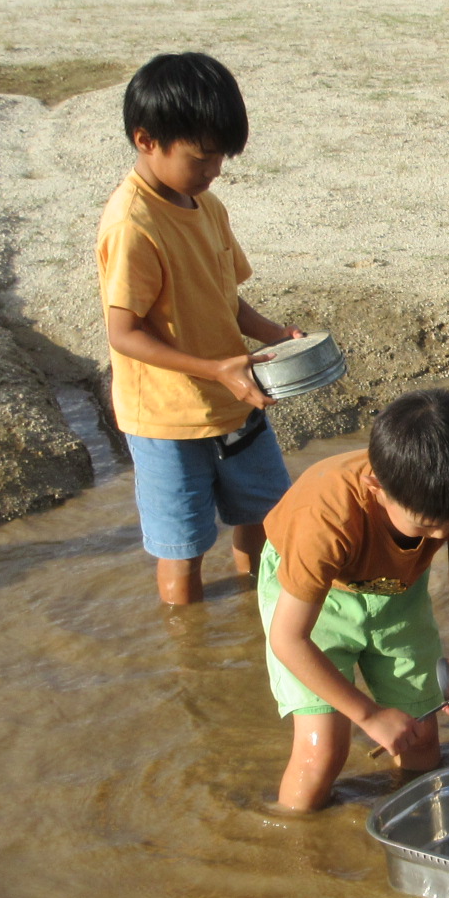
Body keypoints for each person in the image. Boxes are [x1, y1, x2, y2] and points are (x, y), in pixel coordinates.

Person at [99, 51, 304, 606]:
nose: (215, 169)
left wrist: (273, 335)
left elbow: (225, 298)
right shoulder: (132, 224)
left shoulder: (207, 206)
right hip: (165, 418)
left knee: (266, 519)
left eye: (221, 156)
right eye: (202, 156)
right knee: (183, 548)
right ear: (146, 140)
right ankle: (191, 658)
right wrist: (217, 368)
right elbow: (124, 333)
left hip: (235, 400)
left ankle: (257, 621)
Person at [258, 389, 449, 812]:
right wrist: (369, 716)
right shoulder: (327, 518)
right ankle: (295, 851)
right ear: (377, 489)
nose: (444, 536)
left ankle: (420, 828)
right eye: (427, 526)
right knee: (322, 754)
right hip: (315, 603)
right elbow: (288, 639)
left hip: (397, 594)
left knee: (422, 740)